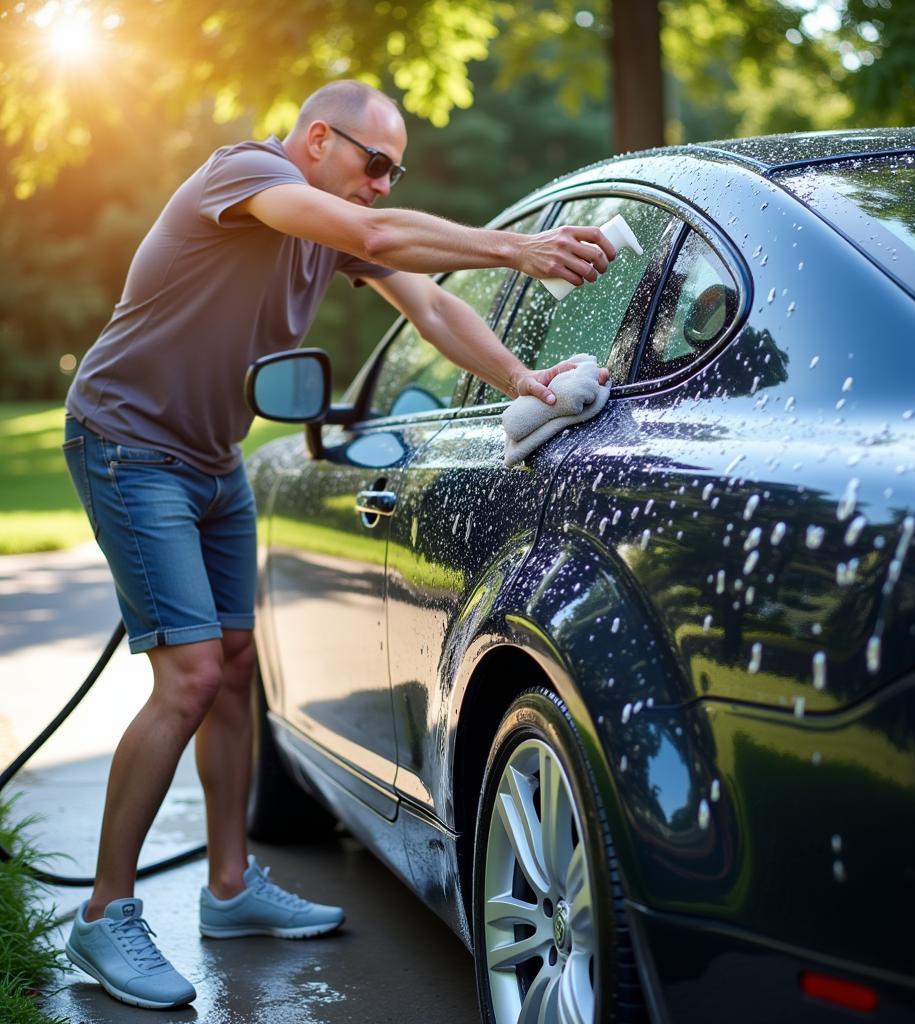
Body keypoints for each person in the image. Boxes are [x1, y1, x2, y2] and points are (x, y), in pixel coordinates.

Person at [60, 79, 614, 1010]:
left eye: (396, 172)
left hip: (209, 458)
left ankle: (230, 890)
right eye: (375, 165)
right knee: (191, 676)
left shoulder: (331, 229)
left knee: (237, 667)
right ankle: (103, 915)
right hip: (127, 446)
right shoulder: (247, 175)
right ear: (319, 140)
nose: (383, 186)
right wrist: (518, 247)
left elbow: (431, 308)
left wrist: (524, 375)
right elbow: (376, 238)